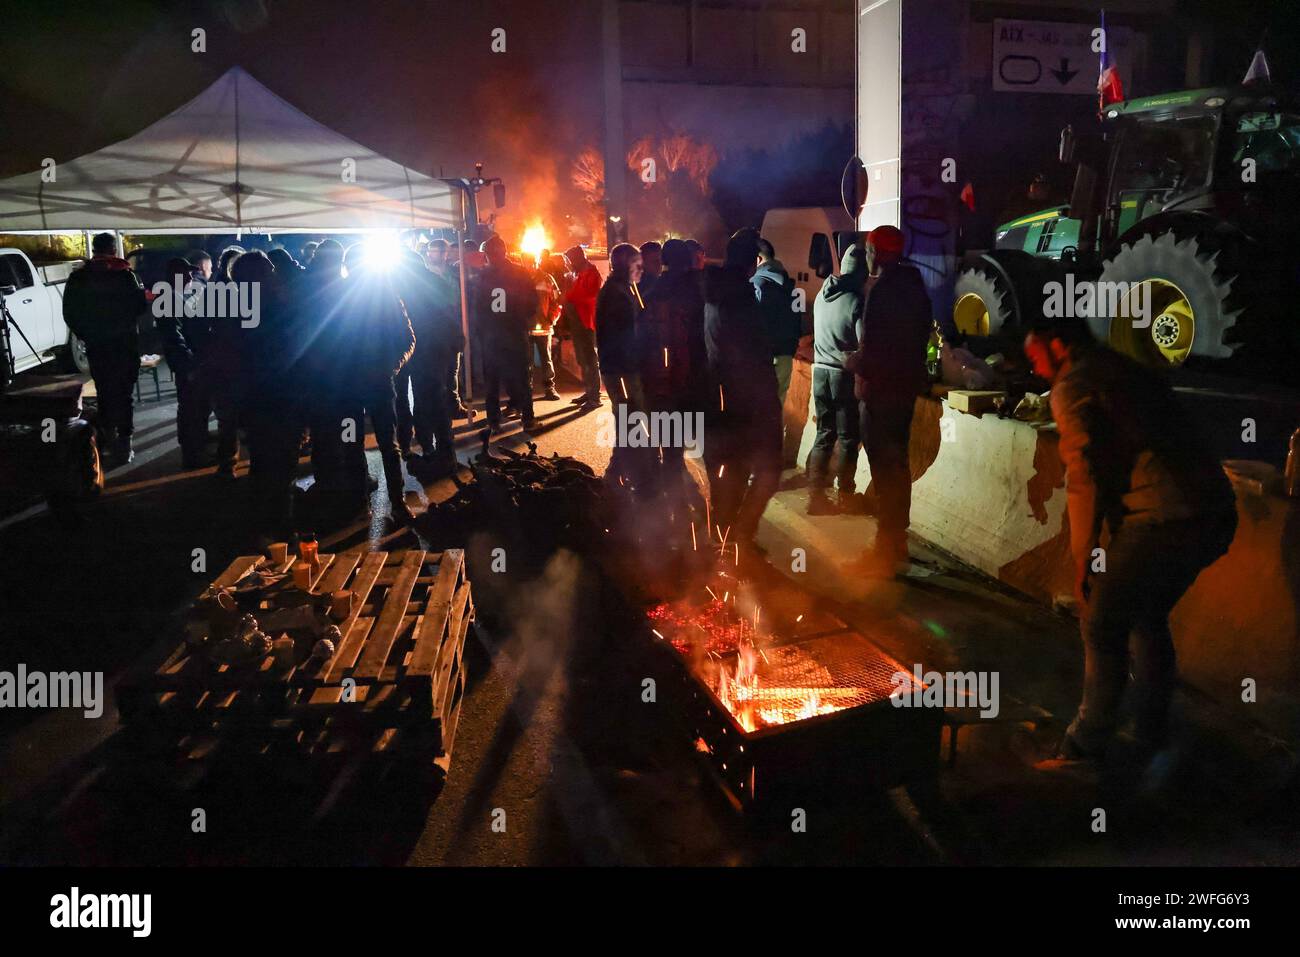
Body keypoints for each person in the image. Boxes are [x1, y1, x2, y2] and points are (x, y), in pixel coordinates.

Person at [1023, 315, 1237, 771]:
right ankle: (1150, 729)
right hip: (1214, 510)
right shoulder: (1121, 367)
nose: (1032, 363)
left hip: (1166, 516)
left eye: (1034, 351)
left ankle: (1084, 745)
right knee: (1147, 615)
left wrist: (1084, 559)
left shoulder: (1074, 384)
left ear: (1057, 345)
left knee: (1101, 623)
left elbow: (1084, 477)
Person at [843, 225, 932, 573]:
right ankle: (897, 542)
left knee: (884, 468)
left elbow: (874, 350)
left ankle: (885, 548)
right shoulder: (916, 288)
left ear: (877, 252)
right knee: (898, 465)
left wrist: (851, 361)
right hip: (904, 392)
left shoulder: (881, 292)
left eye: (868, 249)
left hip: (880, 393)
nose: (866, 256)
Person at [702, 229, 781, 550]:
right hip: (747, 404)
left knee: (728, 477)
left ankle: (725, 542)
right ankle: (739, 538)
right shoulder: (740, 298)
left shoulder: (712, 292)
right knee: (768, 470)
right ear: (752, 264)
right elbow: (753, 358)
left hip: (719, 401)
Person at [340, 243, 416, 521]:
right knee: (355, 442)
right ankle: (365, 503)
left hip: (374, 381)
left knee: (386, 442)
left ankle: (396, 502)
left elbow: (409, 339)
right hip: (350, 384)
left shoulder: (386, 297)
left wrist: (391, 366)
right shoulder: (341, 297)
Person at [61, 232, 150, 465]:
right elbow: (140, 307)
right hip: (125, 344)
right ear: (113, 250)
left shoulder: (79, 278)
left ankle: (108, 440)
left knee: (105, 392)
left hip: (98, 345)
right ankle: (124, 444)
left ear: (94, 249)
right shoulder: (125, 275)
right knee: (125, 394)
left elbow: (69, 312)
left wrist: (86, 334)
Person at [234, 250, 304, 537]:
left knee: (265, 461)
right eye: (269, 270)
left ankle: (264, 522)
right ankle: (278, 525)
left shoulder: (234, 308)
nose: (275, 274)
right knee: (280, 461)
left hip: (256, 398)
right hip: (277, 396)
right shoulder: (274, 308)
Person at [639, 238, 707, 510]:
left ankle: (667, 506)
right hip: (689, 382)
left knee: (669, 446)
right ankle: (676, 509)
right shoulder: (697, 289)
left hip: (661, 384)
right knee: (682, 448)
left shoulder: (652, 293)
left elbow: (642, 341)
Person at [807, 242, 867, 514]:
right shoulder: (856, 301)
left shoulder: (822, 295)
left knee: (824, 433)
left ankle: (815, 497)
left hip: (819, 372)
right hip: (842, 375)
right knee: (847, 438)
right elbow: (864, 344)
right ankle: (845, 494)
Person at [396, 250, 461, 474]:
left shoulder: (397, 287)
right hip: (435, 350)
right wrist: (456, 340)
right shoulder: (436, 281)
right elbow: (451, 313)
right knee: (433, 399)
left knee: (404, 399)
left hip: (408, 350)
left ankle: (419, 447)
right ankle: (443, 451)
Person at [475, 235, 538, 433]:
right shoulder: (520, 273)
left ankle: (493, 421)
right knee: (521, 377)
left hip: (492, 336)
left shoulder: (483, 275)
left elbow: (477, 307)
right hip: (515, 333)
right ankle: (527, 418)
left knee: (491, 381)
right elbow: (532, 303)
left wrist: (481, 331)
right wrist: (522, 320)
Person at [595, 242, 646, 487]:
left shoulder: (622, 288)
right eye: (637, 262)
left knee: (628, 418)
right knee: (630, 418)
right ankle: (619, 473)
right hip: (621, 367)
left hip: (619, 365)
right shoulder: (616, 293)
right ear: (626, 263)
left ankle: (620, 470)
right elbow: (621, 334)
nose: (641, 268)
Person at [155, 256, 212, 468]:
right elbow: (173, 337)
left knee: (198, 409)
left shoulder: (182, 295)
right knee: (191, 410)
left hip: (195, 362)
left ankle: (196, 451)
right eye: (185, 273)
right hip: (188, 365)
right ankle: (192, 455)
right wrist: (189, 365)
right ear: (173, 275)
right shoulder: (169, 299)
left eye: (191, 272)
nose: (190, 276)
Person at [751, 236, 800, 427]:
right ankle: (774, 452)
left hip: (762, 357)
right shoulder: (790, 285)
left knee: (757, 410)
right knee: (776, 409)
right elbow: (798, 322)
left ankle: (758, 454)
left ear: (757, 259)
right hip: (785, 357)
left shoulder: (756, 284)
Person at [425, 239, 474, 421]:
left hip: (452, 327)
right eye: (430, 250)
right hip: (431, 329)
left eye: (435, 251)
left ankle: (453, 405)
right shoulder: (424, 275)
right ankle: (437, 408)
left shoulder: (455, 273)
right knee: (435, 370)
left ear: (445, 254)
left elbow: (463, 299)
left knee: (452, 369)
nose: (431, 254)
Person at [562, 245, 603, 408]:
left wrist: (569, 296)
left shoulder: (591, 274)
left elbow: (586, 296)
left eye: (571, 259)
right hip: (578, 322)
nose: (569, 263)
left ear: (578, 258)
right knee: (582, 358)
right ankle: (589, 391)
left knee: (590, 359)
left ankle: (595, 396)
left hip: (587, 321)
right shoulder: (576, 273)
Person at [528, 260, 563, 401]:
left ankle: (549, 387)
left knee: (546, 358)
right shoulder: (520, 278)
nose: (529, 265)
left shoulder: (546, 278)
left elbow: (557, 301)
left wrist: (551, 319)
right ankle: (526, 389)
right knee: (526, 360)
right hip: (526, 327)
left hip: (543, 326)